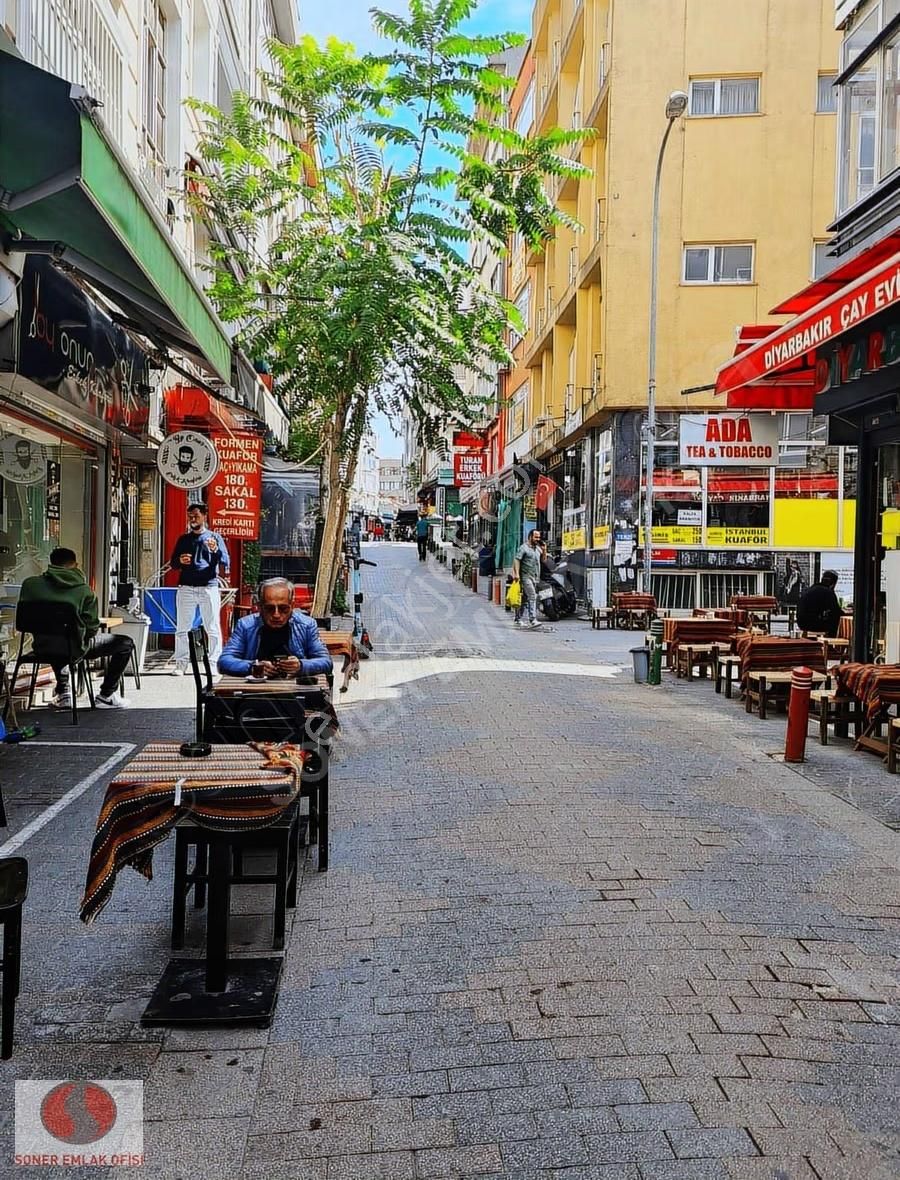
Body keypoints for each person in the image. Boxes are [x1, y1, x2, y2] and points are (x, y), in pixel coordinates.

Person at [18, 547, 134, 709]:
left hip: (41, 646)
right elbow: (92, 628)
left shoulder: (30, 585)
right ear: (75, 564)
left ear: (51, 564)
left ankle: (64, 693)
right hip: (74, 647)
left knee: (57, 637)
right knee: (125, 643)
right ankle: (106, 694)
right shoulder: (84, 591)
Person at [219, 577, 333, 679]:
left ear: (292, 606)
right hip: (255, 692)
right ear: (259, 607)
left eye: (283, 609)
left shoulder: (307, 625)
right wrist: (254, 666)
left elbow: (326, 662)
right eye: (269, 609)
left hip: (296, 691)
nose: (276, 615)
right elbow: (224, 661)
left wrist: (301, 666)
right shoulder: (245, 626)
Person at [169, 503, 230, 676]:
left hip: (208, 587)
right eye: (189, 516)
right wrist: (180, 560)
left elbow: (225, 561)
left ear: (204, 516)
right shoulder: (184, 539)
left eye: (195, 515)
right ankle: (181, 664)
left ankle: (213, 663)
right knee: (182, 628)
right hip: (186, 587)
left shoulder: (214, 538)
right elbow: (173, 563)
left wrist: (215, 550)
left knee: (212, 627)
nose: (192, 519)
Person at [512, 528, 546, 629]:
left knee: (524, 599)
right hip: (525, 576)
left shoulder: (538, 549)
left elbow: (544, 560)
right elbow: (516, 560)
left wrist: (544, 550)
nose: (537, 539)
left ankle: (517, 619)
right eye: (536, 537)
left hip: (535, 577)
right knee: (532, 596)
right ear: (530, 537)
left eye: (539, 537)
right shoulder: (524, 548)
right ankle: (533, 619)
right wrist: (517, 573)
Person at [796, 569, 842, 637]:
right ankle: (832, 644)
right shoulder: (828, 592)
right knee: (836, 621)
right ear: (833, 584)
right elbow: (835, 611)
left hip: (801, 623)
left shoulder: (810, 589)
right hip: (813, 624)